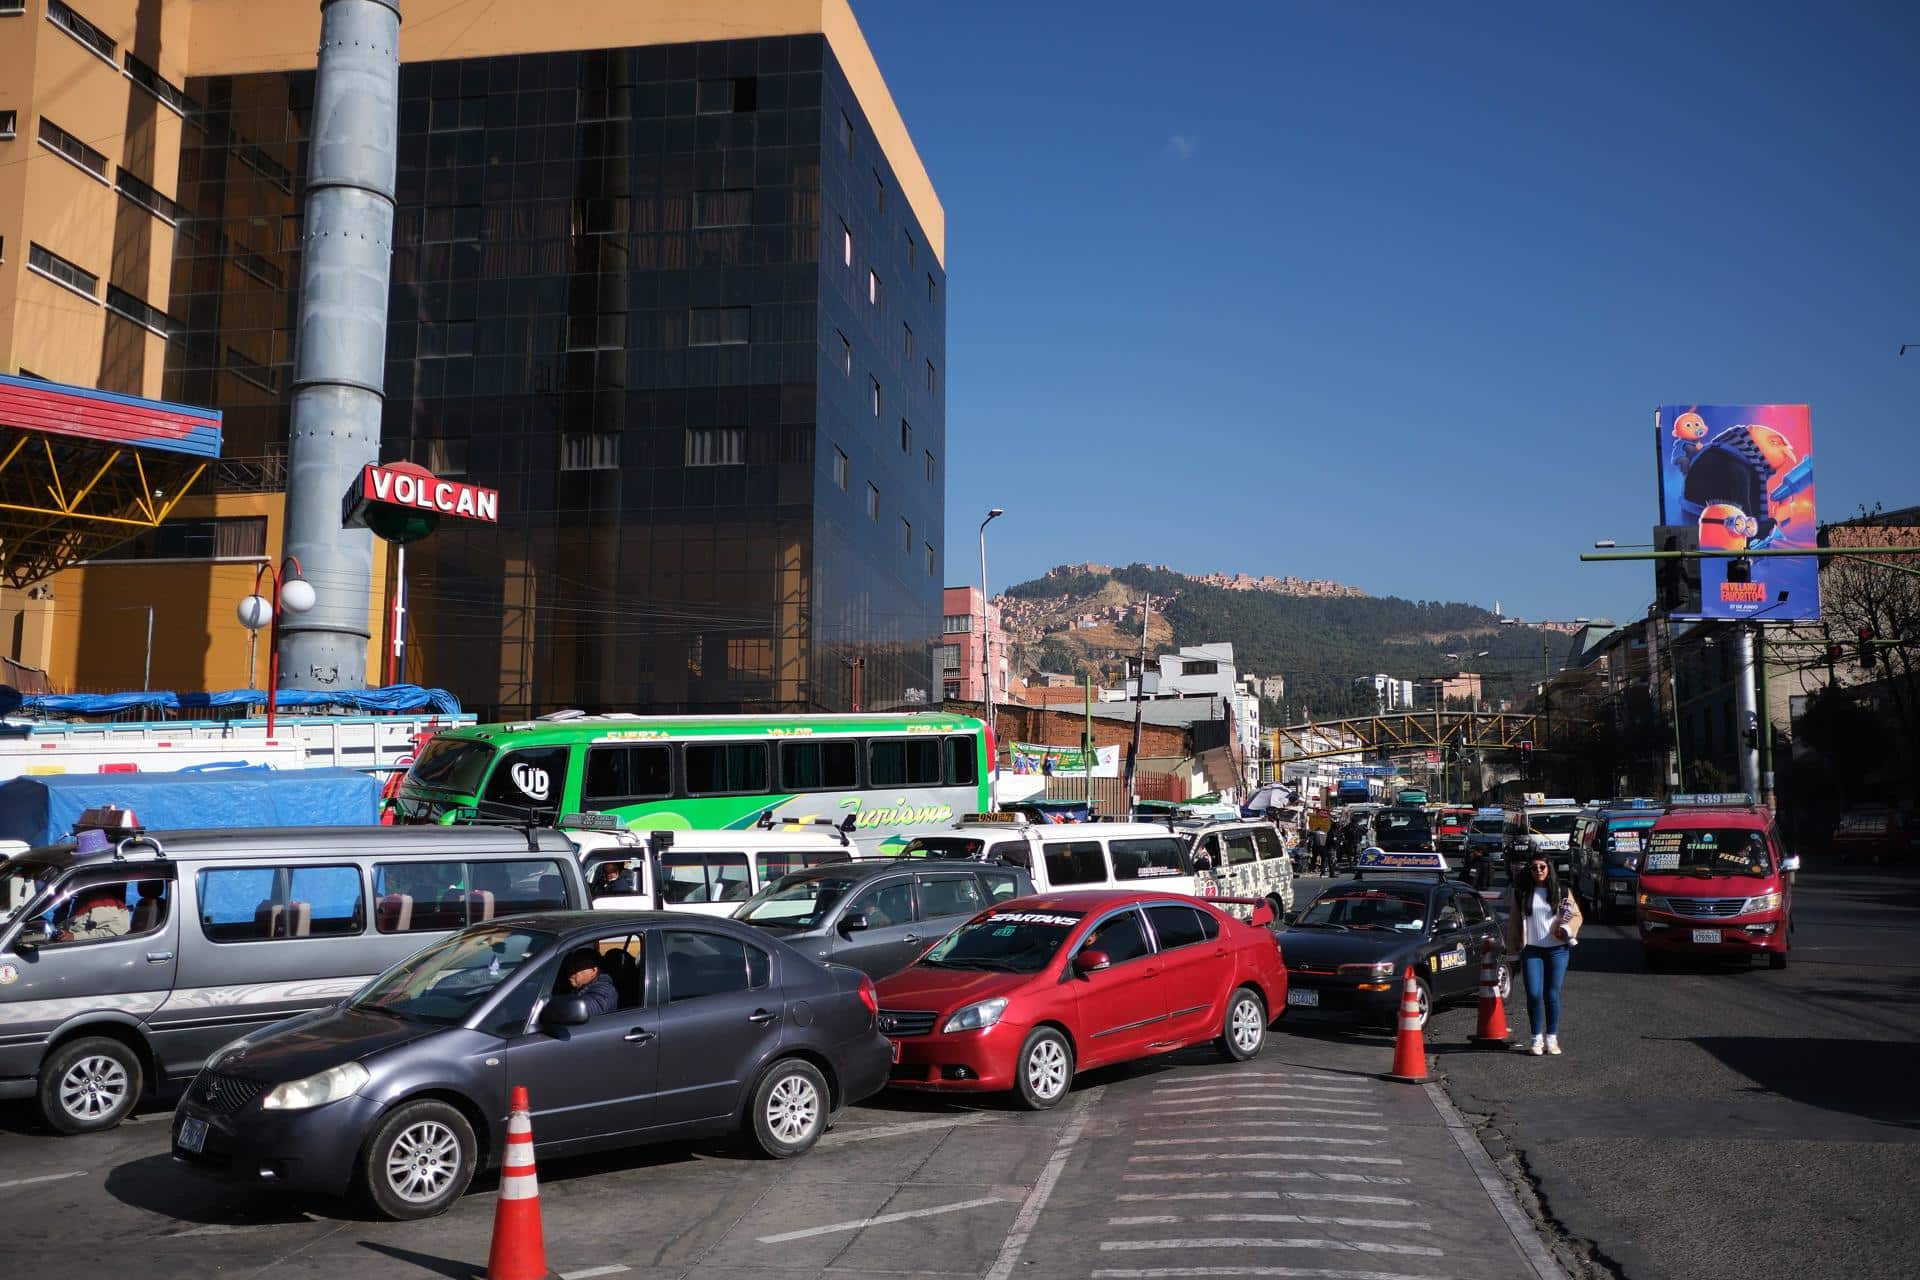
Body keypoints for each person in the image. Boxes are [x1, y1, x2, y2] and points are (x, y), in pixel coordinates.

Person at [1503, 854, 1582, 1055]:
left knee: (1551, 994)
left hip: (1557, 950)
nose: (1538, 870)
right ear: (1529, 871)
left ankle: (1551, 1039)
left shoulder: (1562, 891)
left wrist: (1567, 928)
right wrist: (1512, 952)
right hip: (1532, 950)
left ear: (1549, 869)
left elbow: (1576, 916)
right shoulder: (1522, 893)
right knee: (1534, 994)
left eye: (1542, 867)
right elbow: (1513, 923)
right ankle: (1536, 1038)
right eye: (1534, 868)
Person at [560, 946, 619, 1016]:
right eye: (570, 966)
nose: (571, 971)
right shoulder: (583, 986)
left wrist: (552, 1007)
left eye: (577, 967)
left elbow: (588, 1008)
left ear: (594, 970)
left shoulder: (605, 989)